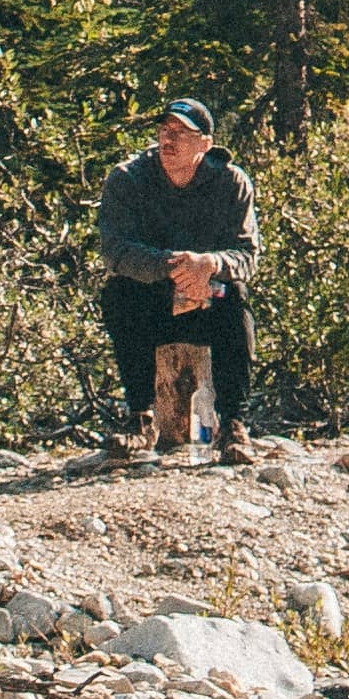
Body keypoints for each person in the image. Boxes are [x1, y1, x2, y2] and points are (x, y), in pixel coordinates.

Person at [95, 94, 261, 468]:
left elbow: (247, 256)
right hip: (151, 299)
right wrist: (172, 267)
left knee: (236, 299)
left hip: (208, 298)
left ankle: (233, 424)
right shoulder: (129, 178)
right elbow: (115, 251)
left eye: (181, 134)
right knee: (118, 293)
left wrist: (209, 264)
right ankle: (141, 417)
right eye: (164, 130)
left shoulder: (231, 182)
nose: (168, 140)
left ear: (205, 142)